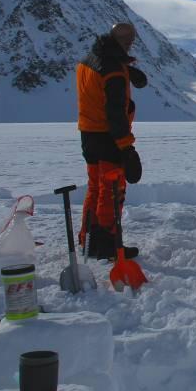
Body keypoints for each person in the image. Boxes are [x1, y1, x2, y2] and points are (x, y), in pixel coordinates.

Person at [76, 22, 145, 259]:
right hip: (108, 136)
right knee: (112, 190)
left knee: (95, 187)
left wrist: (126, 69)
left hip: (88, 132)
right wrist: (127, 147)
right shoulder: (113, 70)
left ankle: (88, 239)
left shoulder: (90, 58)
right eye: (128, 40)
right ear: (119, 40)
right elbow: (115, 113)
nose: (130, 44)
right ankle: (107, 244)